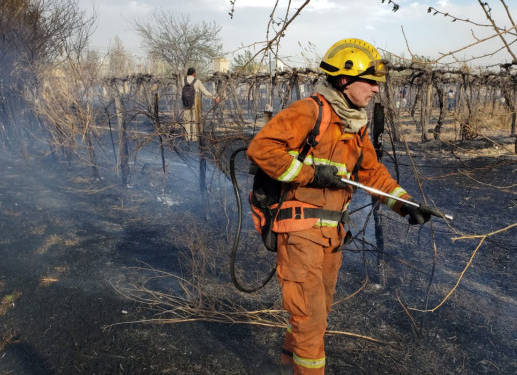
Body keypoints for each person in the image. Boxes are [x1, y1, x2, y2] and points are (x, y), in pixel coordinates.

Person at [247, 38, 431, 375]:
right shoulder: (310, 112)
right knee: (310, 317)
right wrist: (312, 174)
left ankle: (287, 368)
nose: (376, 90)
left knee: (312, 317)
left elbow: (372, 174)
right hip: (300, 230)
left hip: (330, 236)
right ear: (344, 80)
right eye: (370, 82)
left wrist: (406, 204)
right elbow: (261, 149)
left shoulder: (354, 125)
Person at [182, 67, 219, 142]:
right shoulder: (196, 81)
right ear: (194, 74)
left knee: (186, 121)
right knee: (195, 119)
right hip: (195, 102)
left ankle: (187, 137)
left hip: (185, 102)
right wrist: (214, 98)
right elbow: (205, 91)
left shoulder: (183, 80)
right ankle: (194, 137)